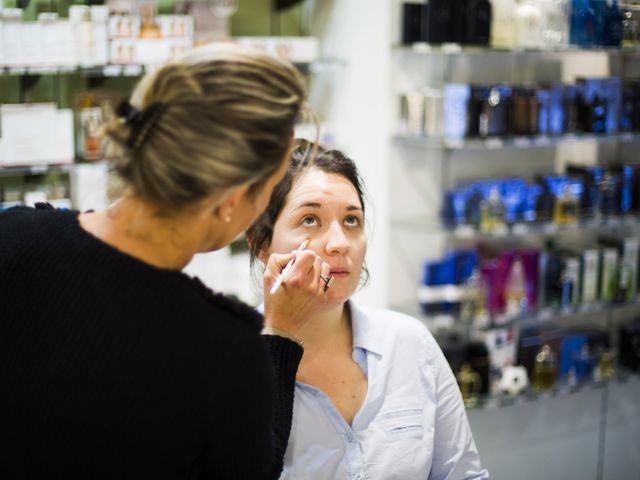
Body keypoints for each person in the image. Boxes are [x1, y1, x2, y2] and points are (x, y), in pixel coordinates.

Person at [0, 44, 331, 479]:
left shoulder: (15, 234)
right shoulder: (221, 350)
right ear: (231, 200)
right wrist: (281, 334)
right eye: (269, 190)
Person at [247, 141, 490, 480]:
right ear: (260, 243)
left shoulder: (410, 343)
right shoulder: (228, 362)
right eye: (310, 219)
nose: (340, 243)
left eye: (351, 220)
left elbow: (464, 475)